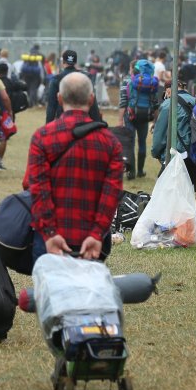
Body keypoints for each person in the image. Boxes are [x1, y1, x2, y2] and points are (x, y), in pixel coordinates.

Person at [26, 72, 123, 261]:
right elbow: (111, 194)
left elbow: (38, 190)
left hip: (50, 238)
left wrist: (50, 233)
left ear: (59, 99)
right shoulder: (110, 142)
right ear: (92, 99)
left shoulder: (42, 137)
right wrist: (96, 234)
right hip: (92, 240)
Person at [151, 80, 196, 186]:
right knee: (186, 193)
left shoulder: (168, 104)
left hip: (175, 156)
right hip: (195, 156)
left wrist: (155, 153)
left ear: (168, 91)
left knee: (163, 194)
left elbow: (159, 136)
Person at [119, 58, 161, 179]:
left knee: (130, 143)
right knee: (142, 143)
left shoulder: (128, 81)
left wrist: (119, 120)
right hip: (144, 116)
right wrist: (155, 121)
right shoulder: (151, 84)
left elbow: (123, 102)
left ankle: (131, 172)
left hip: (130, 116)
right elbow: (155, 104)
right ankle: (140, 171)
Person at [45, 50, 103, 123]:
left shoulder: (56, 79)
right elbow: (93, 104)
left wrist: (48, 124)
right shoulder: (86, 77)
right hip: (84, 121)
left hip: (63, 121)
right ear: (75, 62)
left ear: (63, 62)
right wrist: (97, 122)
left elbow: (51, 106)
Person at [0, 61, 26, 169]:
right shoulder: (11, 82)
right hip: (7, 113)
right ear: (7, 71)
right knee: (4, 138)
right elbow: (23, 87)